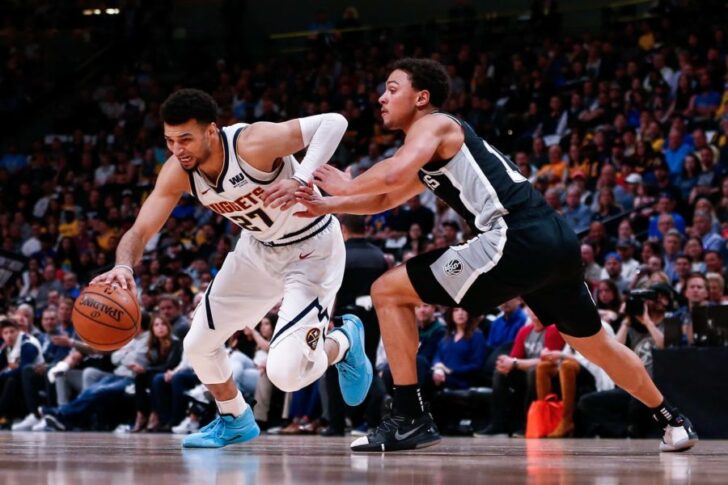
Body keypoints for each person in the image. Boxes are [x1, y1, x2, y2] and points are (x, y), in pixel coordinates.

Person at [294, 58, 697, 452]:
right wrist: (327, 205)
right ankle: (671, 420)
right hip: (555, 240)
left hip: (513, 237)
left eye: (392, 89)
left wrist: (344, 187)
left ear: (422, 98)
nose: (381, 98)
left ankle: (408, 417)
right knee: (596, 345)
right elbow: (384, 198)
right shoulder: (429, 149)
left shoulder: (436, 124)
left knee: (386, 290)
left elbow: (393, 173)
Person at [91, 88, 372, 448]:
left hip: (311, 247)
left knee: (285, 373)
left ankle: (343, 343)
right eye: (170, 141)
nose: (178, 150)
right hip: (256, 249)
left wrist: (300, 178)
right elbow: (141, 229)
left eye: (186, 139)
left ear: (211, 131)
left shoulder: (251, 143)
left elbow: (334, 122)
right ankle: (235, 418)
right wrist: (124, 267)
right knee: (197, 344)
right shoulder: (179, 171)